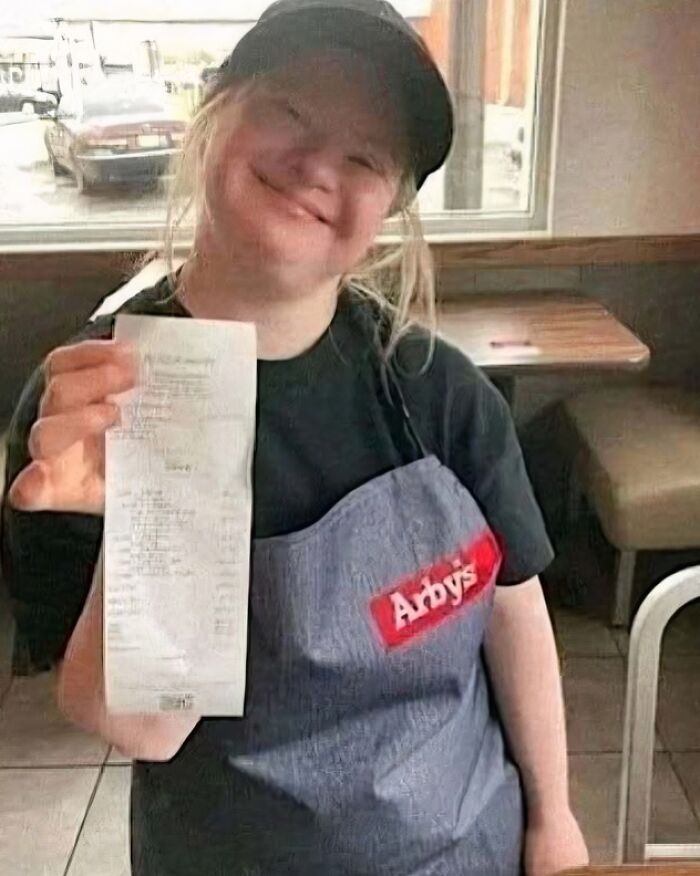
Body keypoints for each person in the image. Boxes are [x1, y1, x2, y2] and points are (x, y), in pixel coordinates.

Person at [0, 2, 589, 874]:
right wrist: (149, 524)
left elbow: (514, 609)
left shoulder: (440, 391)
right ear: (213, 112)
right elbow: (146, 731)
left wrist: (554, 819)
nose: (318, 165)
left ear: (389, 207)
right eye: (289, 112)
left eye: (365, 156)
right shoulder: (93, 407)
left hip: (463, 848)